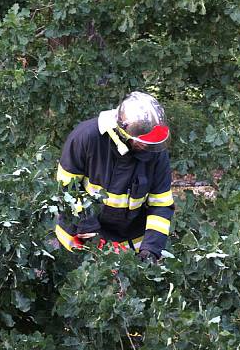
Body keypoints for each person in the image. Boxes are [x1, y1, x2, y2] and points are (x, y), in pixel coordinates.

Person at [55, 91, 174, 262]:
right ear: (125, 132)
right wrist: (91, 235)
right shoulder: (87, 137)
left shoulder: (156, 153)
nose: (147, 146)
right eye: (143, 140)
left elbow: (161, 205)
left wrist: (151, 249)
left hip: (129, 245)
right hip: (80, 238)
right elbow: (66, 191)